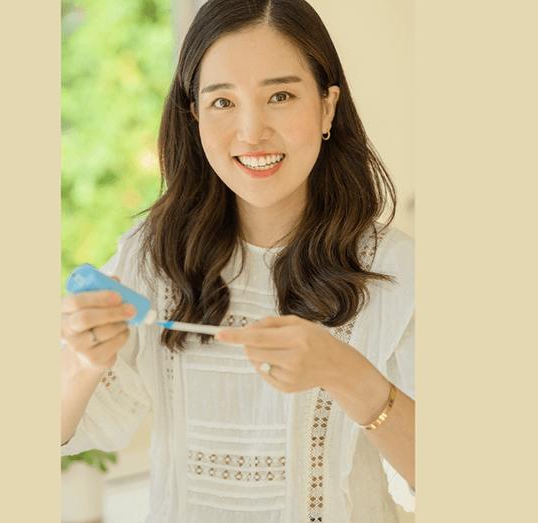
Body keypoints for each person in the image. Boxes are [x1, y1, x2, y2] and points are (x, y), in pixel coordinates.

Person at [60, 0, 414, 520]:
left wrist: (348, 375)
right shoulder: (153, 254)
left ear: (327, 107)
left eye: (281, 95)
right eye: (223, 102)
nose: (251, 132)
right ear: (194, 114)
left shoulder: (398, 272)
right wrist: (82, 361)